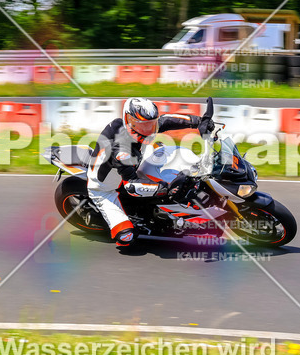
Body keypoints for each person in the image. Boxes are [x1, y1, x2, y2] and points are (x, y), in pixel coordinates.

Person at [87, 97, 213, 248]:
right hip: (105, 188)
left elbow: (166, 120)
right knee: (127, 237)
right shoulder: (121, 151)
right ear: (129, 120)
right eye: (144, 125)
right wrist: (165, 188)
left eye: (151, 124)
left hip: (135, 161)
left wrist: (199, 121)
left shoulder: (138, 126)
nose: (148, 129)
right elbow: (132, 186)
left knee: (173, 157)